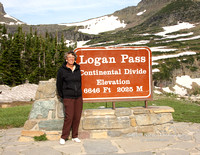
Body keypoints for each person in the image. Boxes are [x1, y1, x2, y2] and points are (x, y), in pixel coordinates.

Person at [56, 51, 83, 144]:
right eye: (69, 57)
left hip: (78, 96)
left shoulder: (77, 68)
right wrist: (63, 95)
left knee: (77, 116)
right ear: (66, 59)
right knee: (69, 117)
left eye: (72, 57)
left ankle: (75, 136)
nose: (71, 59)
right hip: (68, 97)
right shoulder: (62, 70)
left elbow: (79, 82)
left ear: (75, 59)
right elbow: (58, 84)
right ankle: (64, 137)